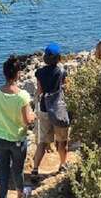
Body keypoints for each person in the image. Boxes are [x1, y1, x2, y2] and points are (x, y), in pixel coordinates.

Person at [0, 55, 35, 198]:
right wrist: (34, 116)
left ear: (4, 73)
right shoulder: (22, 96)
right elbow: (27, 121)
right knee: (17, 170)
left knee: (2, 172)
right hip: (17, 139)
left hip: (0, 138)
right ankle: (20, 194)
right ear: (18, 74)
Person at [32, 43, 70, 176]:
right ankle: (62, 165)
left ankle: (35, 169)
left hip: (44, 108)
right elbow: (66, 87)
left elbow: (40, 90)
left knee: (42, 142)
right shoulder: (61, 72)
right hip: (58, 108)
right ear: (59, 58)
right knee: (62, 141)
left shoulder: (39, 73)